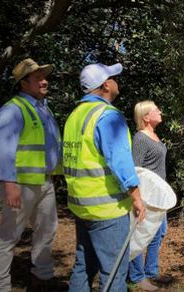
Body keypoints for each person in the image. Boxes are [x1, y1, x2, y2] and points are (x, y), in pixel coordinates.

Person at [63, 62, 146, 292]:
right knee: (114, 272)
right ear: (106, 85)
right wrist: (137, 198)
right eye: (113, 78)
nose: (117, 82)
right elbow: (121, 162)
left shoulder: (75, 115)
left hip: (82, 207)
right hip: (107, 209)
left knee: (83, 267)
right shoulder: (108, 116)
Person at [0, 58, 62, 291]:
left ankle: (42, 278)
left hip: (43, 181)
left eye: (44, 77)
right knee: (9, 236)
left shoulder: (43, 108)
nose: (44, 81)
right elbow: (3, 149)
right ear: (23, 83)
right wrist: (9, 183)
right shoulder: (13, 109)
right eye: (38, 78)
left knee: (47, 229)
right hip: (19, 183)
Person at [128, 101, 171, 291]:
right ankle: (137, 277)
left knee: (159, 232)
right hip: (146, 196)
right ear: (146, 117)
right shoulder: (140, 138)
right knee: (139, 236)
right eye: (156, 110)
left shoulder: (154, 135)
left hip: (158, 196)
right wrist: (137, 198)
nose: (160, 111)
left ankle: (151, 272)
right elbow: (135, 168)